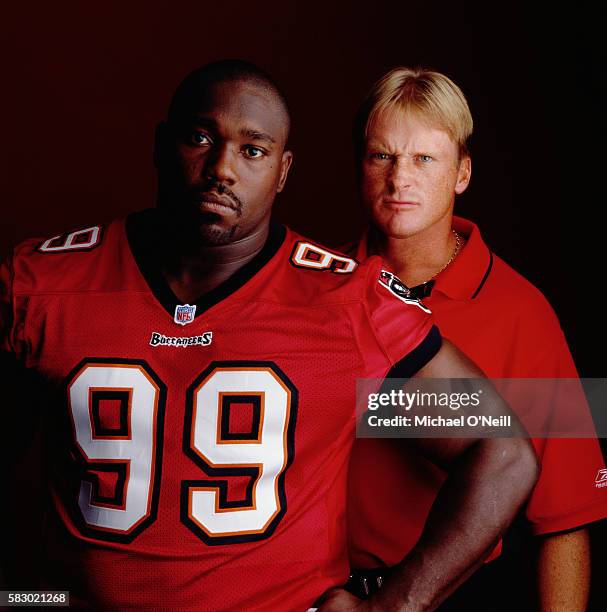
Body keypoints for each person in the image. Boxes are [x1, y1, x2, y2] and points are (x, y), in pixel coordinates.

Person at [0, 60, 537, 611]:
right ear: (162, 145)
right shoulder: (43, 284)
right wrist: (25, 599)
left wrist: (394, 606)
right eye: (200, 137)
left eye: (252, 150)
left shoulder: (350, 301)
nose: (221, 169)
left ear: (282, 172)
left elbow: (504, 450)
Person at [345, 67, 607, 611]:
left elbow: (566, 519)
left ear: (462, 173)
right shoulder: (315, 291)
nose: (399, 180)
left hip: (459, 595)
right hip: (329, 596)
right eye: (382, 156)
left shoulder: (524, 311)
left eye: (424, 159)